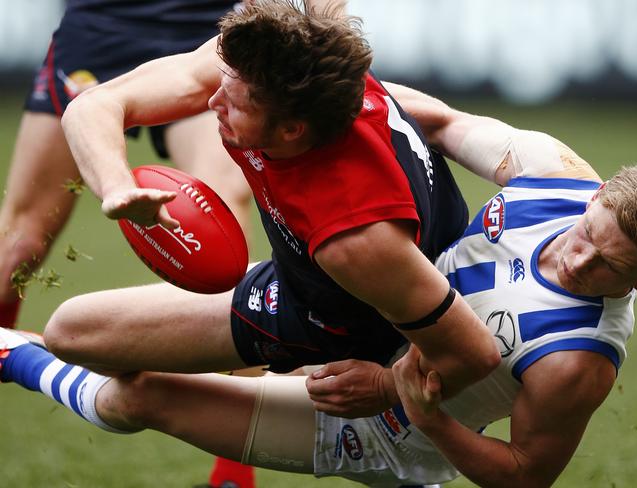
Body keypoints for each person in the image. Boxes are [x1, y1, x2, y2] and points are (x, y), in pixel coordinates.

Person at [1, 97, 637, 485]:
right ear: (595, 196)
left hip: (379, 427)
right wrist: (339, 99)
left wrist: (416, 409)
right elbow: (439, 120)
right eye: (587, 231)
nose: (573, 256)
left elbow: (526, 474)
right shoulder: (558, 176)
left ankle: (13, 357)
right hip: (356, 315)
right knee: (81, 333)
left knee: (138, 398)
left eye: (601, 268)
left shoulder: (579, 357)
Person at [45, 0, 499, 396]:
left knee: (124, 388)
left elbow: (473, 357)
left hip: (337, 325)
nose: (212, 101)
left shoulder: (354, 233)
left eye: (236, 103)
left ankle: (299, 384)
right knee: (71, 330)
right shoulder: (309, 72)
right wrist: (117, 185)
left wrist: (383, 387)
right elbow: (94, 105)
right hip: (318, 278)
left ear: (291, 130)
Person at [0, 0, 253, 330]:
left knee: (218, 229)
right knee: (21, 240)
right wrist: (115, 184)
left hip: (208, 23)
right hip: (102, 26)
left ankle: (246, 367)